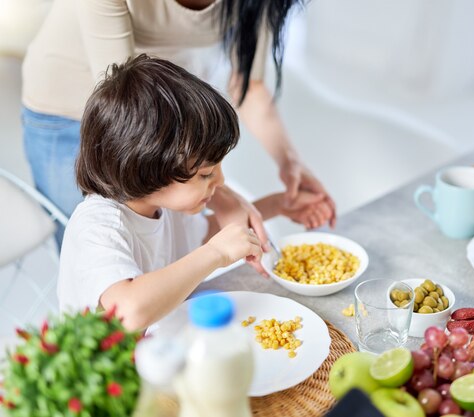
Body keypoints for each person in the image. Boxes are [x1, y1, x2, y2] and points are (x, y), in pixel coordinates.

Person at [21, 0, 335, 246]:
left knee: (160, 240)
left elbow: (250, 86)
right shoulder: (131, 116)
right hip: (81, 107)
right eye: (209, 173)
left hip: (166, 114)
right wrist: (216, 193)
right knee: (98, 247)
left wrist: (289, 162)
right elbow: (125, 105)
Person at [58, 55, 328, 331]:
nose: (221, 181)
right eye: (205, 174)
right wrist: (216, 253)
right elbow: (127, 311)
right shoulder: (97, 226)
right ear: (148, 169)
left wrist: (278, 204)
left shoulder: (161, 205)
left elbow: (199, 235)